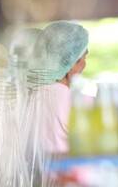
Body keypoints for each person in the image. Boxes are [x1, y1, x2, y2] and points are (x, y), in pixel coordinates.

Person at [32, 21, 92, 154]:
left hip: (39, 174)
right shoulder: (83, 104)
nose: (84, 64)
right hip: (74, 173)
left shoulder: (28, 99)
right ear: (71, 62)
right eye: (84, 57)